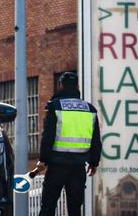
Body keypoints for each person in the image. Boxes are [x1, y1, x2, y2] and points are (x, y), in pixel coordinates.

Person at [35, 72, 102, 216]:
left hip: (56, 166)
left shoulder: (55, 107)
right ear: (77, 86)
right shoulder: (90, 110)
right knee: (75, 208)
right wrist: (94, 162)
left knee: (48, 206)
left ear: (61, 85)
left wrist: (43, 160)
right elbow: (96, 139)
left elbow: (48, 136)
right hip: (78, 167)